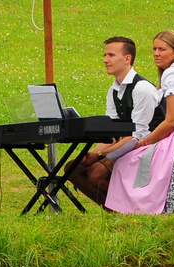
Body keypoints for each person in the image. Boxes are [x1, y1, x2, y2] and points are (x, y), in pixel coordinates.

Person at [106, 30, 174, 215]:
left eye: (162, 49)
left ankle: (142, 209)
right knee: (129, 157)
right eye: (154, 49)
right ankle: (135, 208)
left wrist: (145, 142)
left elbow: (171, 121)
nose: (156, 53)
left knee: (129, 159)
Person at [65, 36, 161, 207]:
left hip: (148, 148)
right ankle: (113, 209)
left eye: (110, 55)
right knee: (73, 168)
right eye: (105, 55)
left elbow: (138, 136)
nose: (105, 60)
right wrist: (92, 154)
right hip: (127, 146)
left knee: (96, 173)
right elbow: (111, 133)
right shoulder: (114, 90)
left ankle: (135, 208)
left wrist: (100, 156)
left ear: (127, 59)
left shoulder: (142, 88)